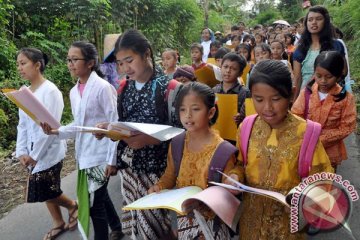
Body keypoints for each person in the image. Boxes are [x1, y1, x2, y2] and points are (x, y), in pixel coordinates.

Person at [230, 59, 333, 240]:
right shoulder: (247, 127)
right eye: (259, 99)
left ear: (291, 95)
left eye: (276, 99)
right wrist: (235, 176)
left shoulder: (306, 133)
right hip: (250, 224)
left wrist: (306, 198)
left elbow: (323, 177)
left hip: (288, 227)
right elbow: (239, 163)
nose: (267, 108)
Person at [41, 41, 122, 240]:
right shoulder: (74, 91)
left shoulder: (103, 88)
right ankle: (117, 227)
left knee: (95, 206)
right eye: (68, 59)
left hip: (101, 155)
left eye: (75, 59)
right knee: (99, 195)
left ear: (90, 63)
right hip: (85, 155)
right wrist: (56, 131)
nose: (70, 64)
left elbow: (115, 123)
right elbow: (79, 124)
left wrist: (112, 160)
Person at [148, 82, 241, 239]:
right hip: (185, 223)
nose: (187, 115)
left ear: (211, 112)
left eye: (195, 109)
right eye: (182, 109)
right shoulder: (177, 143)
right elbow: (170, 175)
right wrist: (159, 187)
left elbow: (226, 192)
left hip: (213, 227)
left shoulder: (222, 150)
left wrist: (204, 201)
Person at [111, 29, 180, 239]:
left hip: (157, 170)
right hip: (130, 169)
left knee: (154, 225)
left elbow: (183, 131)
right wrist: (110, 130)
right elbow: (124, 123)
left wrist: (148, 139)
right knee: (138, 223)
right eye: (120, 63)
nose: (125, 68)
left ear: (147, 53)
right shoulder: (124, 87)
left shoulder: (169, 87)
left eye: (129, 60)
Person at [15, 48, 77, 240]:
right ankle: (58, 222)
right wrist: (22, 151)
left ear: (37, 65)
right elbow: (22, 125)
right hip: (31, 152)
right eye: (18, 64)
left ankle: (72, 205)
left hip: (48, 151)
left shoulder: (51, 91)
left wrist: (35, 156)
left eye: (23, 63)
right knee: (44, 191)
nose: (19, 68)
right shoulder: (24, 93)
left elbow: (51, 129)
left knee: (46, 190)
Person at [291, 51, 356, 170]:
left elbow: (347, 126)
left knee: (327, 182)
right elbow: (296, 115)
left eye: (328, 77)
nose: (323, 81)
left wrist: (320, 139)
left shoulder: (346, 98)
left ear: (338, 75)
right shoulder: (306, 93)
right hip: (306, 147)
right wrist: (306, 136)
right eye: (319, 76)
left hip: (330, 152)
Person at [293, 5, 345, 97]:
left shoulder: (336, 45)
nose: (314, 22)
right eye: (310, 20)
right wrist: (295, 101)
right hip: (306, 97)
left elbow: (343, 71)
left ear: (326, 22)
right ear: (306, 24)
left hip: (331, 97)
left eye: (318, 19)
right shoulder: (301, 49)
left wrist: (323, 85)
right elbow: (297, 78)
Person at [213, 53, 249, 130]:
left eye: (233, 69)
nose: (228, 71)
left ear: (240, 73)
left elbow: (249, 116)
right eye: (225, 67)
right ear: (220, 68)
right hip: (217, 132)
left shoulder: (245, 93)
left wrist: (242, 117)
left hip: (236, 134)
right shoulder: (214, 91)